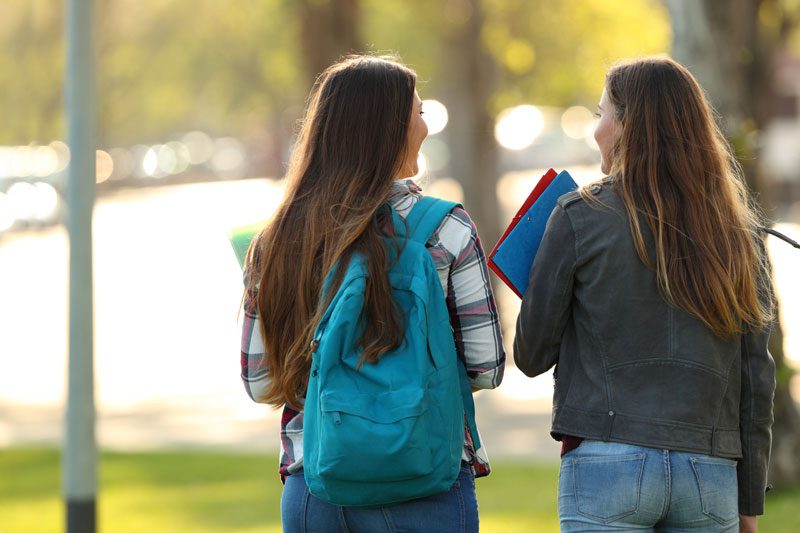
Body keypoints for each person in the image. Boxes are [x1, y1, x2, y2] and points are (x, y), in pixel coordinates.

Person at [240, 55, 505, 532]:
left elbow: (259, 383)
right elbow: (486, 368)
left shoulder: (275, 242)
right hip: (424, 482)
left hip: (317, 487)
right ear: (391, 130)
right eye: (420, 114)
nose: (426, 126)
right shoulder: (445, 228)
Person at [514, 57, 776, 533]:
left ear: (626, 125)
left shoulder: (578, 215)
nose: (596, 130)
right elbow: (755, 380)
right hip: (710, 473)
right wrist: (749, 500)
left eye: (601, 115)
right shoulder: (740, 233)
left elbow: (531, 355)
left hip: (605, 462)